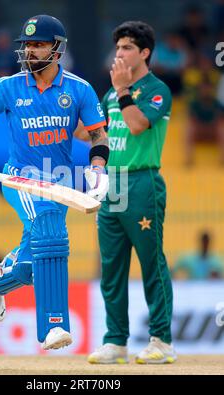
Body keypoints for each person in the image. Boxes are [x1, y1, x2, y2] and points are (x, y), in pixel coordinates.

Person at [0, 15, 108, 351]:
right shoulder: (6, 87)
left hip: (60, 184)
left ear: (57, 49)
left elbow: (98, 134)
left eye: (38, 44)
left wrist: (98, 167)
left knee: (31, 264)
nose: (30, 51)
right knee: (52, 236)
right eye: (27, 45)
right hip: (20, 179)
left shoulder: (79, 89)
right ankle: (54, 325)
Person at [84, 21, 176, 364]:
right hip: (112, 183)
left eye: (126, 48)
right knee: (111, 268)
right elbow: (95, 134)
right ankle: (115, 341)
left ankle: (162, 341)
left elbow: (137, 126)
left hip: (142, 182)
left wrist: (122, 90)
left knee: (152, 264)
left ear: (145, 53)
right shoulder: (110, 93)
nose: (119, 53)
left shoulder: (156, 89)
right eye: (118, 47)